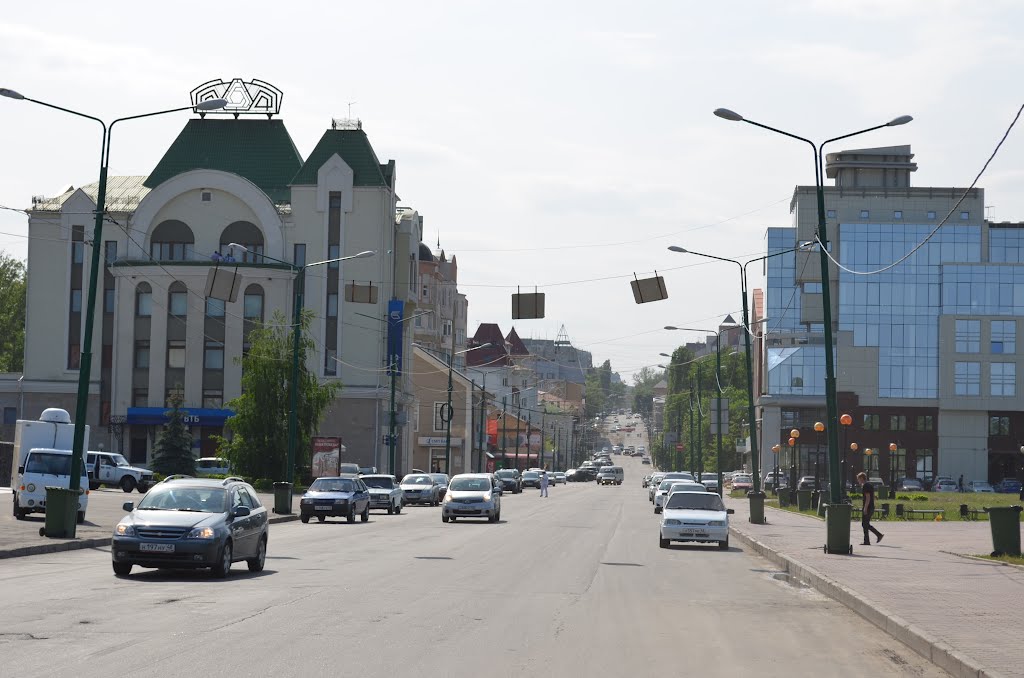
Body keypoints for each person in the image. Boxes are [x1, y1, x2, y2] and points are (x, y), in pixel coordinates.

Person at [857, 472, 883, 545]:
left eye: (858, 479)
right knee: (865, 524)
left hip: (868, 507)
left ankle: (870, 539)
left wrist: (865, 508)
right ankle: (876, 536)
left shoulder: (865, 486)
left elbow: (868, 497)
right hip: (871, 507)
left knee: (865, 524)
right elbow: (873, 496)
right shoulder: (869, 485)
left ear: (862, 478)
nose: (858, 481)